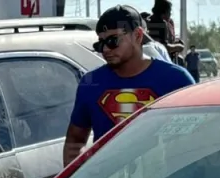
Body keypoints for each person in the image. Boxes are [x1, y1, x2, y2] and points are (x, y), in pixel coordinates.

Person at [63, 5, 195, 167]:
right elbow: (75, 141)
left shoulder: (176, 80)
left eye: (113, 41)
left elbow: (196, 140)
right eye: (100, 43)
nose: (105, 49)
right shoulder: (90, 83)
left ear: (138, 35)